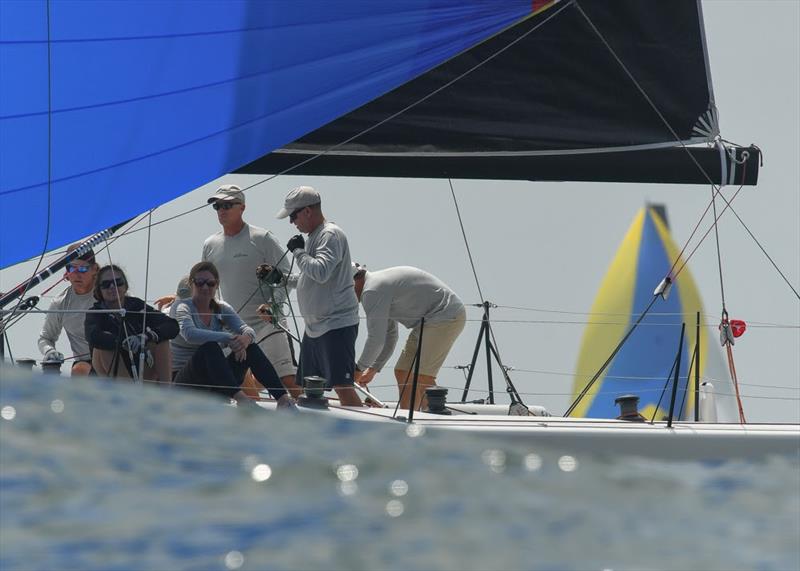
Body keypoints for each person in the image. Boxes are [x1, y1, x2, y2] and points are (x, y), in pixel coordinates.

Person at [202, 184, 301, 398]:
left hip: (267, 325)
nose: (222, 210)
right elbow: (206, 286)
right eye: (217, 206)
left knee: (288, 381)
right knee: (240, 388)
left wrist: (274, 305)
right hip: (233, 329)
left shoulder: (262, 238)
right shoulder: (210, 244)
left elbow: (286, 276)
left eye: (228, 205)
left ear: (242, 207)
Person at [276, 185, 362, 406]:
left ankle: (359, 438)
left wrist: (297, 251)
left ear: (307, 211)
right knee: (309, 388)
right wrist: (280, 278)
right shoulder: (314, 236)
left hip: (335, 325)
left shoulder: (330, 234)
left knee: (343, 388)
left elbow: (321, 272)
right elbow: (309, 277)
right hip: (315, 328)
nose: (291, 222)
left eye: (293, 216)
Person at [170, 261, 293, 406]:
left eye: (210, 283)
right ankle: (241, 399)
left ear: (216, 285)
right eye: (199, 283)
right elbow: (190, 334)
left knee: (250, 348)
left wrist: (244, 340)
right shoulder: (181, 306)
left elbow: (248, 331)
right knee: (210, 347)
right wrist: (229, 338)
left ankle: (283, 399)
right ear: (192, 284)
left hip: (214, 381)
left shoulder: (222, 308)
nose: (205, 287)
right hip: (187, 384)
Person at [352, 264, 466, 410]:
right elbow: (390, 336)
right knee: (403, 372)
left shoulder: (371, 291)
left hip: (445, 315)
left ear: (354, 281)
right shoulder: (376, 288)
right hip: (427, 322)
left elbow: (376, 339)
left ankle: (435, 420)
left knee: (422, 377)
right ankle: (410, 419)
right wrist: (374, 368)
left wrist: (359, 369)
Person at [84, 265, 177, 383]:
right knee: (103, 349)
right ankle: (128, 395)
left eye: (118, 282)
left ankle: (165, 394)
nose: (113, 287)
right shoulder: (96, 313)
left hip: (140, 365)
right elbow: (93, 337)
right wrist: (123, 342)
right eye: (106, 284)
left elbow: (172, 325)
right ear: (99, 290)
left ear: (125, 286)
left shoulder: (136, 306)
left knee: (161, 340)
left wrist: (144, 337)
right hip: (108, 373)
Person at [37, 242, 99, 375]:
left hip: (117, 359)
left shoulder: (109, 292)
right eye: (72, 269)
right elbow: (45, 338)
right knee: (79, 370)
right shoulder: (60, 303)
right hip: (85, 366)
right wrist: (50, 351)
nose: (77, 274)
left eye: (83, 269)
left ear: (94, 269)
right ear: (67, 272)